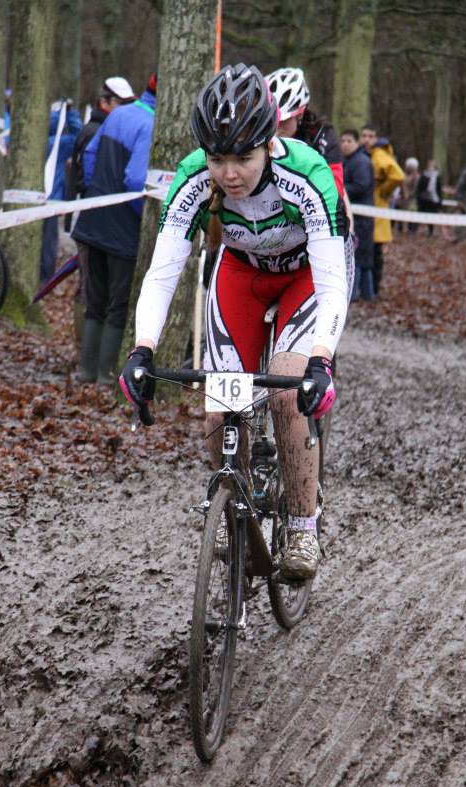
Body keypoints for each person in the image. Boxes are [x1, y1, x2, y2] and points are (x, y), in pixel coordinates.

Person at [120, 63, 348, 581]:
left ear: (270, 142)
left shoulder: (308, 175)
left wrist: (321, 362)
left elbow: (334, 278)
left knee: (289, 389)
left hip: (305, 277)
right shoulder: (192, 178)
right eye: (217, 158)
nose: (229, 173)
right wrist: (142, 350)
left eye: (243, 157)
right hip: (241, 276)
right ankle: (233, 500)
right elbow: (162, 273)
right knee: (219, 409)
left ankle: (303, 525)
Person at [72, 72, 156, 385]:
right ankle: (107, 374)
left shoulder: (119, 113)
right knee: (116, 304)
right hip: (123, 230)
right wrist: (143, 218)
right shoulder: (150, 126)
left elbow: (90, 155)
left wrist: (98, 193)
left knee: (95, 300)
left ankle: (87, 371)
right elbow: (135, 179)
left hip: (93, 218)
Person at [265, 66, 354, 300]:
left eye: (283, 121)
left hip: (315, 208)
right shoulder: (260, 132)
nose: (276, 128)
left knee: (342, 215)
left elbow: (334, 186)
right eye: (271, 119)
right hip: (272, 215)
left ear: (300, 114)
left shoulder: (321, 135)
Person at [67, 76, 135, 342]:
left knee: (99, 292)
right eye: (121, 103)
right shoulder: (95, 130)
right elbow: (86, 175)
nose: (126, 109)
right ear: (105, 102)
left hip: (102, 222)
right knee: (91, 292)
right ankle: (85, 352)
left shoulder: (107, 127)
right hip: (95, 219)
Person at [40, 100, 82, 282]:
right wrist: (70, 113)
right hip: (51, 200)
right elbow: (78, 133)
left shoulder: (30, 142)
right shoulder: (62, 144)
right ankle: (45, 278)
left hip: (31, 200)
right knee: (49, 243)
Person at [360, 125, 404, 295]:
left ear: (376, 138)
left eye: (370, 136)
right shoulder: (364, 155)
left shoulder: (379, 155)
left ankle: (374, 288)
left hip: (377, 209)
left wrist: (383, 191)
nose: (366, 139)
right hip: (368, 209)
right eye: (363, 135)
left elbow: (397, 176)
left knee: (375, 252)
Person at [340, 128, 375, 300]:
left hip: (362, 218)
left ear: (356, 143)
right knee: (360, 256)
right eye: (343, 141)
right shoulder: (347, 161)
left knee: (359, 257)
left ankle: (356, 294)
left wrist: (341, 191)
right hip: (355, 216)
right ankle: (366, 294)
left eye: (349, 141)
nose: (345, 144)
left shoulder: (360, 161)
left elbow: (362, 185)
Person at [416, 158, 442, 236]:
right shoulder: (424, 175)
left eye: (433, 166)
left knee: (432, 216)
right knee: (420, 215)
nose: (431, 167)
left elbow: (439, 189)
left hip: (434, 199)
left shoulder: (437, 177)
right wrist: (419, 196)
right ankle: (415, 230)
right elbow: (419, 187)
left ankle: (431, 231)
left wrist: (440, 200)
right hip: (424, 199)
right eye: (430, 166)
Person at [396, 157, 420, 233]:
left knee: (411, 213)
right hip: (402, 197)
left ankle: (411, 229)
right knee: (400, 212)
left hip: (411, 199)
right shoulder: (403, 174)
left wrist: (409, 194)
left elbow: (416, 188)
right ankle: (400, 227)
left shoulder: (416, 176)